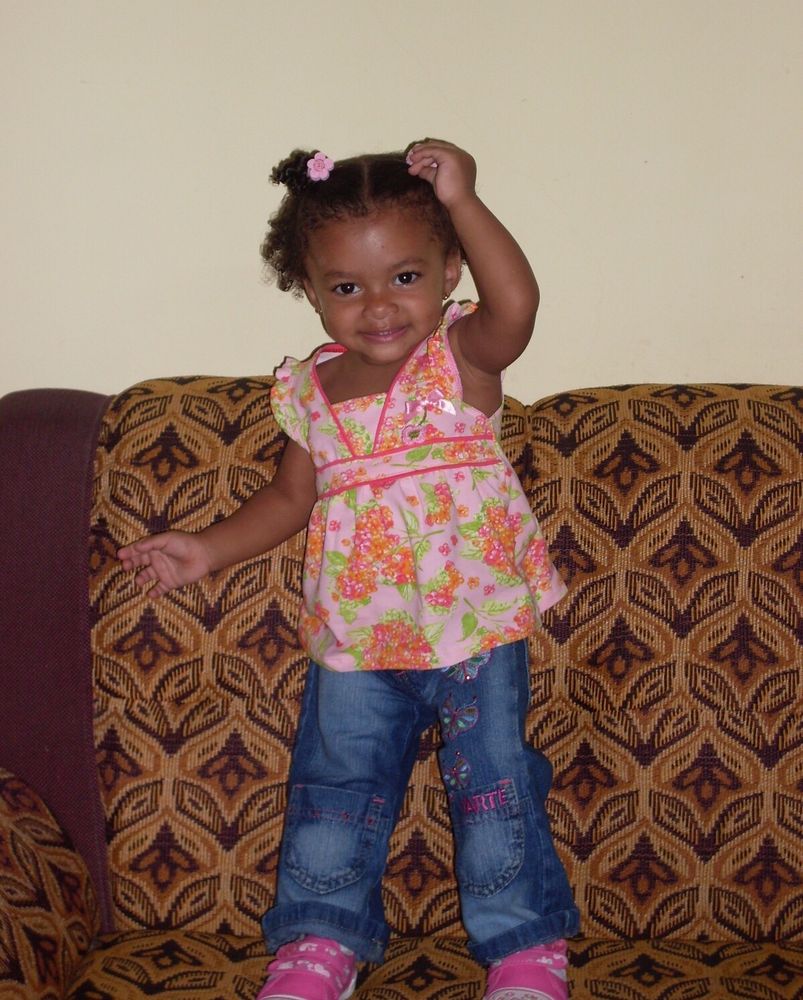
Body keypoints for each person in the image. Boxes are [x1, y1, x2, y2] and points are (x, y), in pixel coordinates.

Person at [118, 139, 580, 1000]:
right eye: (345, 288)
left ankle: (522, 948)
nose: (378, 306)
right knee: (335, 790)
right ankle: (319, 945)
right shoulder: (307, 391)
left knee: (494, 786)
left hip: (476, 626)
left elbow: (517, 303)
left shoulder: (461, 358)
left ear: (449, 270)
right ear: (309, 289)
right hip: (356, 637)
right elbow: (289, 499)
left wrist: (465, 200)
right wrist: (206, 549)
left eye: (404, 277)